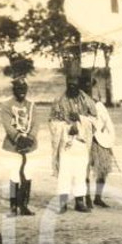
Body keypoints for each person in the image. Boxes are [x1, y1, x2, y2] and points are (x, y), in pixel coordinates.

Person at [50, 77, 97, 213]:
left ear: (78, 85)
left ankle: (79, 202)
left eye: (74, 84)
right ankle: (63, 203)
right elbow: (52, 121)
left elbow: (95, 120)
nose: (72, 87)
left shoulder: (87, 101)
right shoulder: (59, 101)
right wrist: (67, 128)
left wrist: (80, 119)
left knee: (80, 173)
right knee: (64, 173)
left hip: (81, 143)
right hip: (66, 143)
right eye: (69, 84)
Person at [1, 77, 39, 216]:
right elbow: (7, 125)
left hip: (29, 146)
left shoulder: (31, 106)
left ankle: (24, 206)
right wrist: (18, 138)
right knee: (14, 174)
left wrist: (30, 138)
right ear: (13, 90)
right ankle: (13, 206)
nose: (22, 92)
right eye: (18, 89)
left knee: (28, 174)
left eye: (24, 89)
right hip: (13, 146)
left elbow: (35, 124)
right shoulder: (7, 105)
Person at [80, 74, 117, 208]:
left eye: (89, 85)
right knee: (83, 170)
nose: (87, 88)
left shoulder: (99, 104)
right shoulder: (77, 104)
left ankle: (98, 197)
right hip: (84, 140)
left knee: (102, 169)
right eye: (84, 86)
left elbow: (107, 121)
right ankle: (87, 197)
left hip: (99, 140)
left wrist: (106, 136)